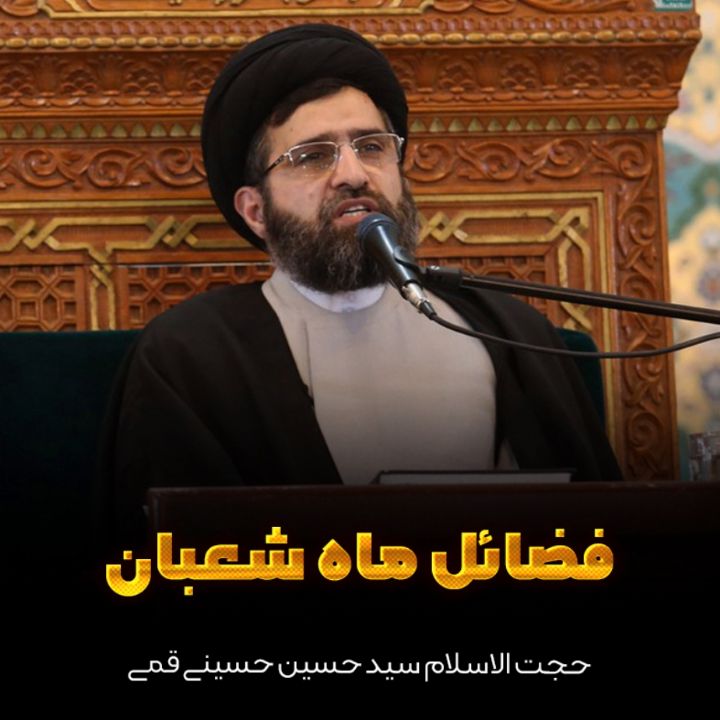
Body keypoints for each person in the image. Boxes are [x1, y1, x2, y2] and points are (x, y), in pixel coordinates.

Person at [99, 24, 621, 539]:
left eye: (371, 147)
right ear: (256, 211)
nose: (353, 174)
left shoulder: (510, 332)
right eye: (313, 156)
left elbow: (604, 533)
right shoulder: (190, 357)